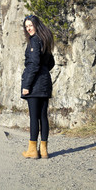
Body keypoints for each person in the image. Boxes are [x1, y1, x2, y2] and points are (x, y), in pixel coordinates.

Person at [21, 15, 55, 159]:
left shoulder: (34, 41)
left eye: (30, 25)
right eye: (26, 26)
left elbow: (34, 64)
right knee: (43, 117)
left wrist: (27, 85)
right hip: (45, 83)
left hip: (35, 85)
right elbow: (51, 62)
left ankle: (33, 150)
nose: (28, 28)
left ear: (36, 25)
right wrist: (44, 71)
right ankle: (44, 150)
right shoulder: (45, 40)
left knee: (34, 117)